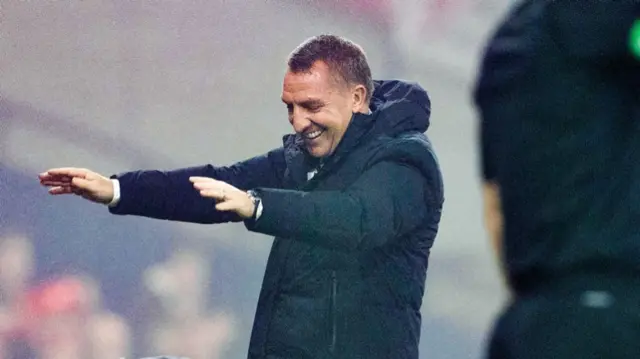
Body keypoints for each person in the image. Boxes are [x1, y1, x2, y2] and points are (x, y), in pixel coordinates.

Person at [39, 34, 444, 359]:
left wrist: (258, 205)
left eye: (311, 106)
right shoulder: (303, 159)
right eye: (290, 107)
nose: (298, 122)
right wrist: (119, 189)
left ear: (357, 98)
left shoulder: (405, 162)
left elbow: (357, 219)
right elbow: (217, 185)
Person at [475, 2, 640, 358]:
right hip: (609, 321)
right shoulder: (595, 18)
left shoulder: (511, 40)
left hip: (537, 321)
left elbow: (495, 206)